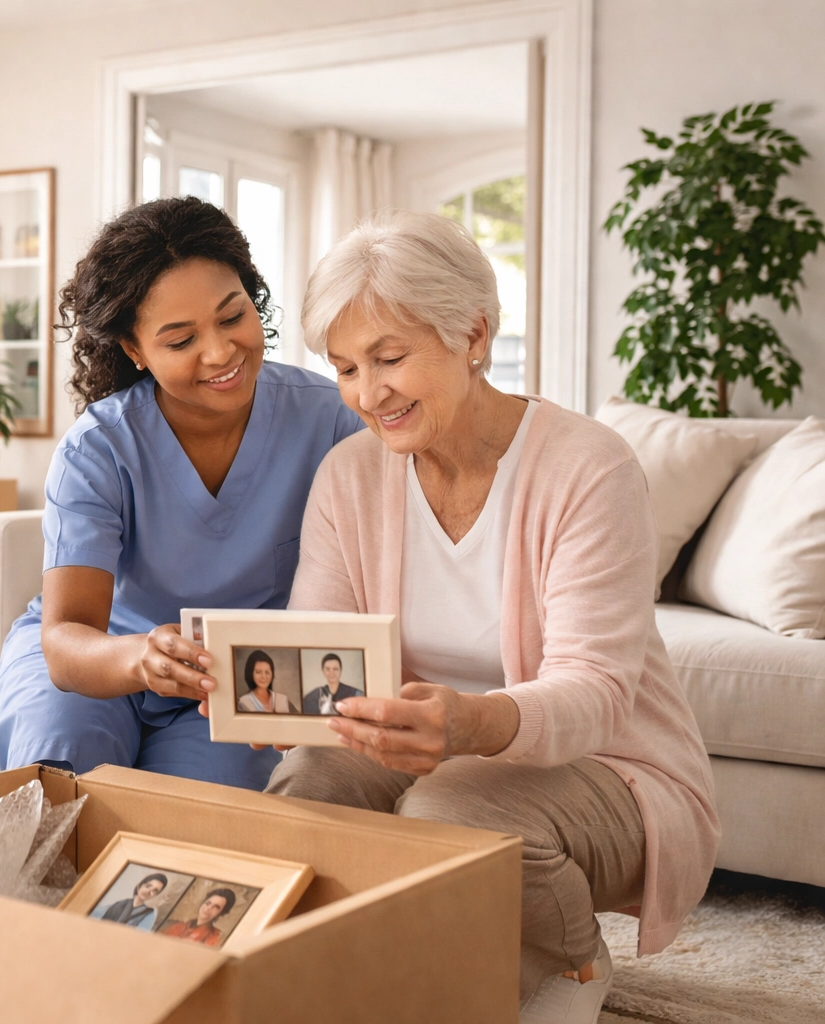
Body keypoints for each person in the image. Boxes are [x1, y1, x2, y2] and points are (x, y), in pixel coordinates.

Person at [267, 210, 718, 1024]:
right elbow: (321, 647)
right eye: (344, 369)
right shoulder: (349, 475)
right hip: (431, 749)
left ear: (473, 332)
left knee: (452, 806)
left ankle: (566, 960)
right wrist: (266, 697)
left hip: (610, 767)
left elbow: (597, 692)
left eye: (390, 358)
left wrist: (472, 724)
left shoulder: (588, 465)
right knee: (308, 784)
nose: (368, 395)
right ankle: (353, 976)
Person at [0, 197, 364, 790]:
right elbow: (66, 640)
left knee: (196, 810)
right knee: (63, 771)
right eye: (180, 341)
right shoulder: (98, 448)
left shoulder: (332, 420)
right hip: (101, 662)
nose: (220, 353)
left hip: (227, 682)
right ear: (135, 350)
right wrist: (142, 659)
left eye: (232, 317)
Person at [160, 889, 235, 947]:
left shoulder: (215, 936)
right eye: (208, 903)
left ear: (221, 913)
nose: (208, 908)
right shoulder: (178, 926)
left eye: (216, 907)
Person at [93, 872, 168, 930]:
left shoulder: (149, 913)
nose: (149, 891)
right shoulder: (120, 904)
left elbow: (141, 935)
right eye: (148, 886)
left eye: (155, 891)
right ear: (139, 886)